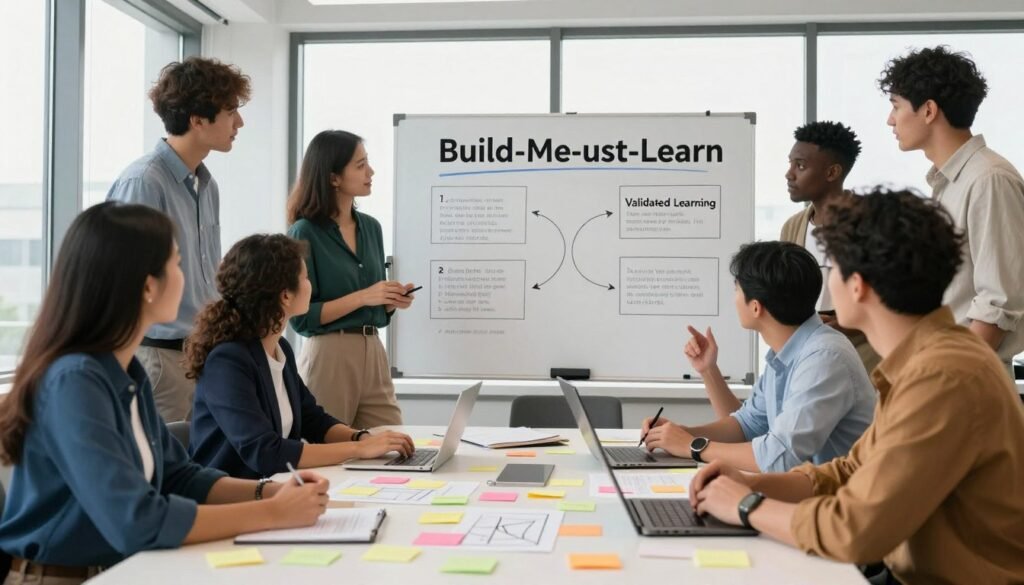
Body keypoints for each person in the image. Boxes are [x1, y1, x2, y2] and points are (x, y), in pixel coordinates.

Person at [688, 188, 1024, 585]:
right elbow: (850, 470)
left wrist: (746, 505)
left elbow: (856, 530)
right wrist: (754, 482)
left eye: (833, 269)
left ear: (857, 285)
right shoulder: (927, 360)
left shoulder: (943, 377)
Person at [0, 204, 329, 583]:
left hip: (123, 570)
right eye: (176, 264)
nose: (185, 276)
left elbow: (181, 477)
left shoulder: (126, 372)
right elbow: (137, 521)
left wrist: (270, 492)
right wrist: (274, 513)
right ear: (147, 285)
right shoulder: (75, 382)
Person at [186, 234, 415, 480]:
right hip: (232, 500)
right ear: (285, 295)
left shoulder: (279, 348)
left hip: (276, 488)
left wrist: (362, 437)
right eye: (305, 278)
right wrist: (359, 449)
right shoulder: (228, 361)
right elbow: (264, 452)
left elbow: (313, 420)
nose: (311, 285)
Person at [641, 241, 876, 473]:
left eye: (736, 290)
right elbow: (747, 425)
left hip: (835, 504)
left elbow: (780, 457)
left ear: (756, 307)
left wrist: (692, 446)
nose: (733, 299)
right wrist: (680, 434)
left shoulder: (825, 358)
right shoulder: (787, 351)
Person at [107, 57, 251, 422]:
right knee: (163, 474)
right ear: (198, 119)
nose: (239, 123)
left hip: (200, 356)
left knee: (197, 469)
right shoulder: (143, 183)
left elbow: (208, 276)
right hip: (158, 358)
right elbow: (123, 284)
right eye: (231, 111)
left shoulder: (207, 185)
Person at [880, 45, 1024, 378]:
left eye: (896, 106)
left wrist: (947, 376)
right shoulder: (949, 182)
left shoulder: (989, 179)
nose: (890, 119)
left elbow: (998, 302)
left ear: (928, 110)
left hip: (967, 378)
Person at [287, 130, 415, 429]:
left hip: (374, 350)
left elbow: (376, 312)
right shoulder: (304, 232)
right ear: (333, 177)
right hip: (330, 353)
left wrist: (391, 302)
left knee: (394, 445)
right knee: (324, 447)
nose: (370, 172)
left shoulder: (372, 228)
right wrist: (364, 296)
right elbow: (301, 318)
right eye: (360, 165)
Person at [780, 121, 880, 373]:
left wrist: (835, 326)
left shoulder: (873, 224)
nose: (789, 173)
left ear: (832, 172)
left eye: (800, 165)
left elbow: (890, 301)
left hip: (865, 357)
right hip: (809, 356)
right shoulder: (792, 228)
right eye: (790, 163)